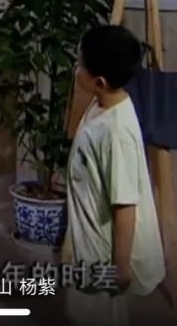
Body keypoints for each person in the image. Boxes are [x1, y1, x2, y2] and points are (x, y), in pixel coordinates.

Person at [60, 25, 165, 326]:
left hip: (101, 249)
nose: (75, 69)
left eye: (80, 64)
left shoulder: (117, 133)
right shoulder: (102, 103)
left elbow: (125, 205)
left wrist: (120, 267)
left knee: (96, 313)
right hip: (86, 234)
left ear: (100, 82)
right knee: (79, 308)